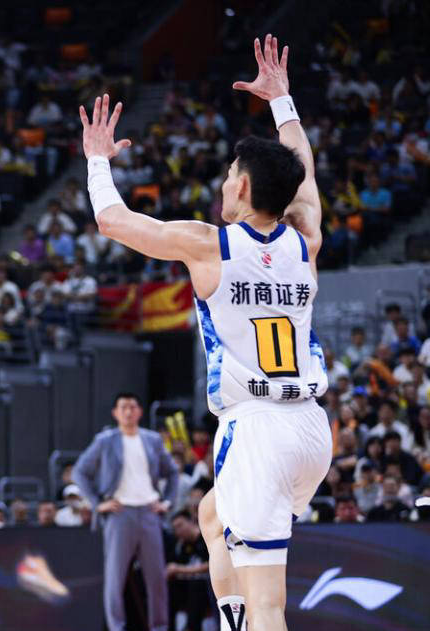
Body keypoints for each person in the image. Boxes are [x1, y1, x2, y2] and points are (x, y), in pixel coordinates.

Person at [80, 34, 330, 631]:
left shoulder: (208, 244)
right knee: (213, 516)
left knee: (269, 603)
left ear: (241, 186)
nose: (222, 182)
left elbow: (112, 220)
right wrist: (283, 102)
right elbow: (303, 174)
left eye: (228, 175)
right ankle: (232, 619)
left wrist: (96, 159)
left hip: (258, 429)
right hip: (310, 430)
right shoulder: (306, 239)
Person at [71, 392, 178, 631]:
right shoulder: (105, 440)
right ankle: (116, 627)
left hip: (149, 512)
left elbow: (172, 472)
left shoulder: (152, 440)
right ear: (115, 413)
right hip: (120, 513)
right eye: (123, 407)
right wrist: (97, 503)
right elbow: (80, 471)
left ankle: (160, 627)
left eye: (132, 407)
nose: (128, 411)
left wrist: (167, 502)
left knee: (157, 579)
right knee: (115, 578)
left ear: (140, 411)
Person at [166, 510, 215, 631]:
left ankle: (192, 627)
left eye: (180, 525)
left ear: (191, 521)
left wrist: (180, 569)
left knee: (196, 586)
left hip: (209, 584)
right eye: (175, 528)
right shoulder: (182, 545)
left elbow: (211, 565)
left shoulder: (205, 537)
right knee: (170, 587)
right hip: (188, 587)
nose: (178, 531)